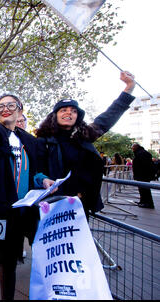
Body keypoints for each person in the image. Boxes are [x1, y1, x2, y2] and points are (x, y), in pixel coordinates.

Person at [0, 93, 54, 300]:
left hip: (20, 216)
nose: (5, 108)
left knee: (10, 265)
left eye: (11, 105)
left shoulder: (29, 141)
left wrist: (43, 181)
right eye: (1, 106)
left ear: (20, 110)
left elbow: (34, 172)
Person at [36, 71, 136, 217]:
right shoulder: (43, 141)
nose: (68, 113)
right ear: (55, 115)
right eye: (63, 110)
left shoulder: (84, 135)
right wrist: (43, 179)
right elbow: (36, 170)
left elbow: (108, 117)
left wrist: (129, 87)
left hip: (80, 205)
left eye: (73, 111)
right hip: (53, 205)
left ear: (77, 116)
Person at [132, 143, 155, 209]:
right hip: (142, 175)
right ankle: (143, 201)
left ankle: (148, 203)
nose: (132, 149)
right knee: (142, 189)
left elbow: (143, 165)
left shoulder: (141, 153)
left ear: (136, 147)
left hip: (143, 175)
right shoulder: (141, 152)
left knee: (144, 189)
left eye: (133, 148)